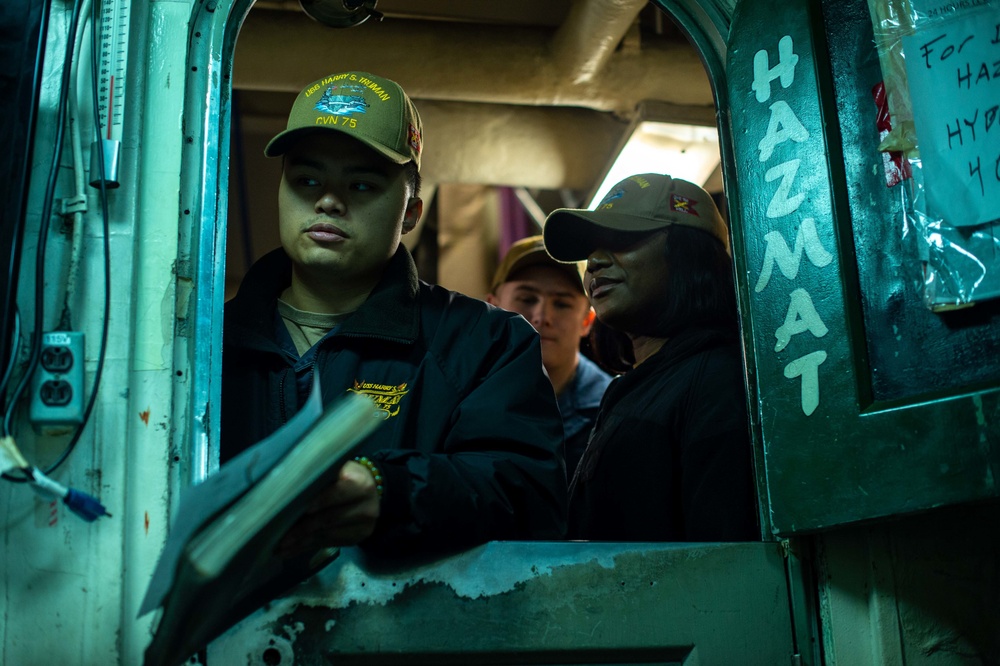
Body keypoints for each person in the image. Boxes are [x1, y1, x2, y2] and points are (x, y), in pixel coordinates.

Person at [220, 71, 567, 559]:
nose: (328, 201)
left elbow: (529, 495)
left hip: (402, 630)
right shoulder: (205, 346)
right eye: (306, 180)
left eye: (361, 184)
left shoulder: (484, 343)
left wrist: (393, 492)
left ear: (410, 213)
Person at [542, 173, 758, 542]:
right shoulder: (639, 386)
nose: (593, 262)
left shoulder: (718, 383)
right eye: (592, 248)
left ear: (689, 253)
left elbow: (726, 560)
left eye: (622, 239)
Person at [486, 235, 612, 476]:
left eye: (562, 304)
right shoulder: (455, 394)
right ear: (492, 308)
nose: (542, 316)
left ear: (587, 321)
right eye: (527, 299)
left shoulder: (610, 413)